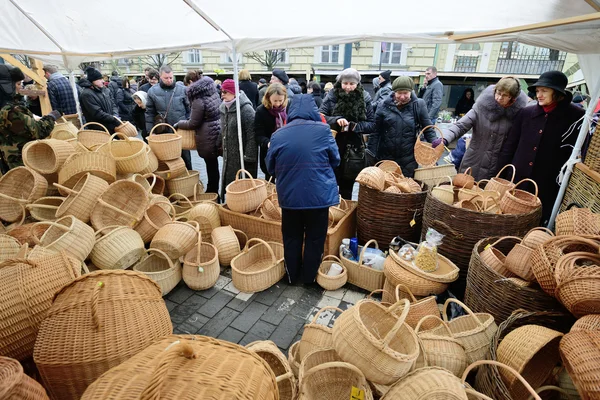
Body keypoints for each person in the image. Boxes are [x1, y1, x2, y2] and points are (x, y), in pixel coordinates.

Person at [265, 94, 340, 285]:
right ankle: (309, 278)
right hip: (318, 195)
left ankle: (292, 276)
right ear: (313, 110)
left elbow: (270, 168)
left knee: (291, 237)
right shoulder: (324, 131)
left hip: (290, 196)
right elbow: (336, 160)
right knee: (315, 238)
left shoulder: (278, 134)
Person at [498, 71, 585, 225]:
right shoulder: (526, 113)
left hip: (548, 184)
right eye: (538, 91)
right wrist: (502, 175)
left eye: (544, 91)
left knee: (535, 224)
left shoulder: (576, 116)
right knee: (509, 220)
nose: (539, 95)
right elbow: (509, 146)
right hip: (518, 179)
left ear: (557, 93)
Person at [439, 77, 528, 180]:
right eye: (498, 93)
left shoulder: (519, 115)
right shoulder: (481, 107)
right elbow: (460, 126)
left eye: (505, 96)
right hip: (472, 163)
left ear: (513, 99)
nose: (499, 98)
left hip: (498, 169)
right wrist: (444, 139)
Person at [319, 68, 375, 199]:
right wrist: (336, 119)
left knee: (347, 186)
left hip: (353, 148)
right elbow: (320, 116)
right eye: (345, 83)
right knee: (328, 182)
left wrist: (355, 126)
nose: (348, 87)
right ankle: (330, 212)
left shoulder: (365, 97)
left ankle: (344, 212)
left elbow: (372, 124)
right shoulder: (332, 95)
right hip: (332, 143)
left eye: (352, 84)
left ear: (357, 84)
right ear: (340, 82)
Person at [367, 76, 438, 177]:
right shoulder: (383, 105)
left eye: (405, 93)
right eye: (399, 93)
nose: (402, 96)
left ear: (411, 91)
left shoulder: (418, 105)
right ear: (394, 92)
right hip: (386, 157)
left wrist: (435, 143)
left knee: (407, 188)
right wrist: (370, 154)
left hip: (409, 159)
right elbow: (375, 132)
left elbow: (428, 128)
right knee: (386, 189)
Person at [0, 66, 61, 171]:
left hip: (7, 160)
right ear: (6, 86)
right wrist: (51, 117)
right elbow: (37, 131)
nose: (20, 87)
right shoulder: (11, 110)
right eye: (18, 84)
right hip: (22, 161)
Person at [174, 75, 221, 194]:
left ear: (190, 83)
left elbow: (193, 123)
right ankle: (214, 189)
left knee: (210, 165)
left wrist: (179, 123)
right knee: (213, 164)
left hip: (206, 134)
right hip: (215, 129)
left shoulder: (198, 99)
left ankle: (212, 191)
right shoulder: (212, 91)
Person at [145, 65, 192, 170]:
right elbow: (149, 113)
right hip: (163, 131)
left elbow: (189, 109)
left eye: (171, 77)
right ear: (160, 77)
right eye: (166, 78)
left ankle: (189, 180)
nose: (169, 80)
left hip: (181, 130)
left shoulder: (183, 90)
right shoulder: (152, 91)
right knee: (166, 160)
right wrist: (150, 131)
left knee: (185, 158)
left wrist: (189, 123)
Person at [219, 79, 257, 201]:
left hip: (242, 155)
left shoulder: (246, 109)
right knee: (229, 181)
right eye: (222, 91)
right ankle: (230, 202)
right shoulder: (223, 108)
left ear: (234, 92)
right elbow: (223, 129)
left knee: (242, 186)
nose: (222, 94)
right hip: (228, 153)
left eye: (226, 92)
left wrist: (249, 156)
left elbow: (252, 134)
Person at [255, 83, 288, 181]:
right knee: (270, 181)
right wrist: (268, 143)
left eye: (280, 100)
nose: (278, 104)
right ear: (268, 98)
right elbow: (258, 134)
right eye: (275, 101)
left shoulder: (289, 108)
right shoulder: (261, 111)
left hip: (287, 151)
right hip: (269, 153)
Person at [79, 67, 120, 133]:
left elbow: (113, 104)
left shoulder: (105, 90)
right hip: (99, 129)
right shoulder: (86, 94)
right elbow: (97, 113)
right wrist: (113, 119)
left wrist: (115, 115)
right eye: (100, 79)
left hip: (111, 126)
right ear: (93, 81)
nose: (103, 81)